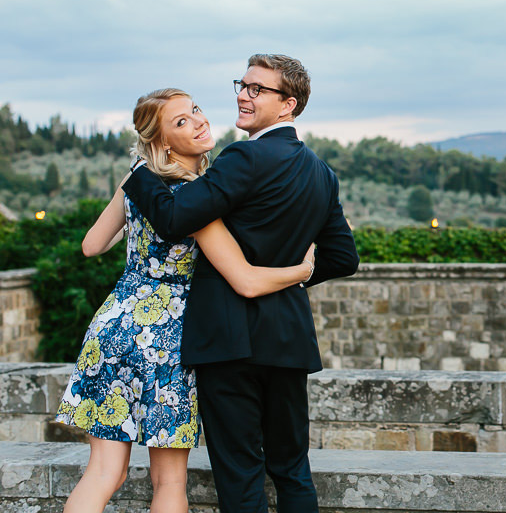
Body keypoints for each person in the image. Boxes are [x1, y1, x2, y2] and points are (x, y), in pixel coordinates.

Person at [56, 88, 319, 513]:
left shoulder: (136, 183)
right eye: (180, 121)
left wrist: (137, 230)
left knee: (104, 473)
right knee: (169, 482)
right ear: (162, 142)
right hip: (170, 338)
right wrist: (302, 270)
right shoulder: (199, 203)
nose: (197, 120)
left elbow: (90, 246)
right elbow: (245, 279)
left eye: (194, 110)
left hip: (114, 327)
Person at [122, 54, 359, 513]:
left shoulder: (244, 156)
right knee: (292, 471)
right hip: (288, 340)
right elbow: (343, 258)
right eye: (242, 85)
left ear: (288, 105)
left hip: (229, 343)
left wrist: (139, 175)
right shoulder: (322, 174)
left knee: (241, 474)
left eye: (257, 89)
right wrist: (294, 276)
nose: (242, 95)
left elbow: (173, 219)